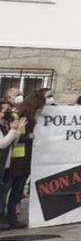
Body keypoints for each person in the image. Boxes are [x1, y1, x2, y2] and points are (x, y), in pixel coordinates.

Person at [1, 89, 47, 229]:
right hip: (15, 159)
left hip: (25, 159)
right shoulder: (17, 115)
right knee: (6, 190)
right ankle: (4, 217)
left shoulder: (33, 117)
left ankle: (12, 216)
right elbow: (14, 137)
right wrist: (28, 136)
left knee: (17, 190)